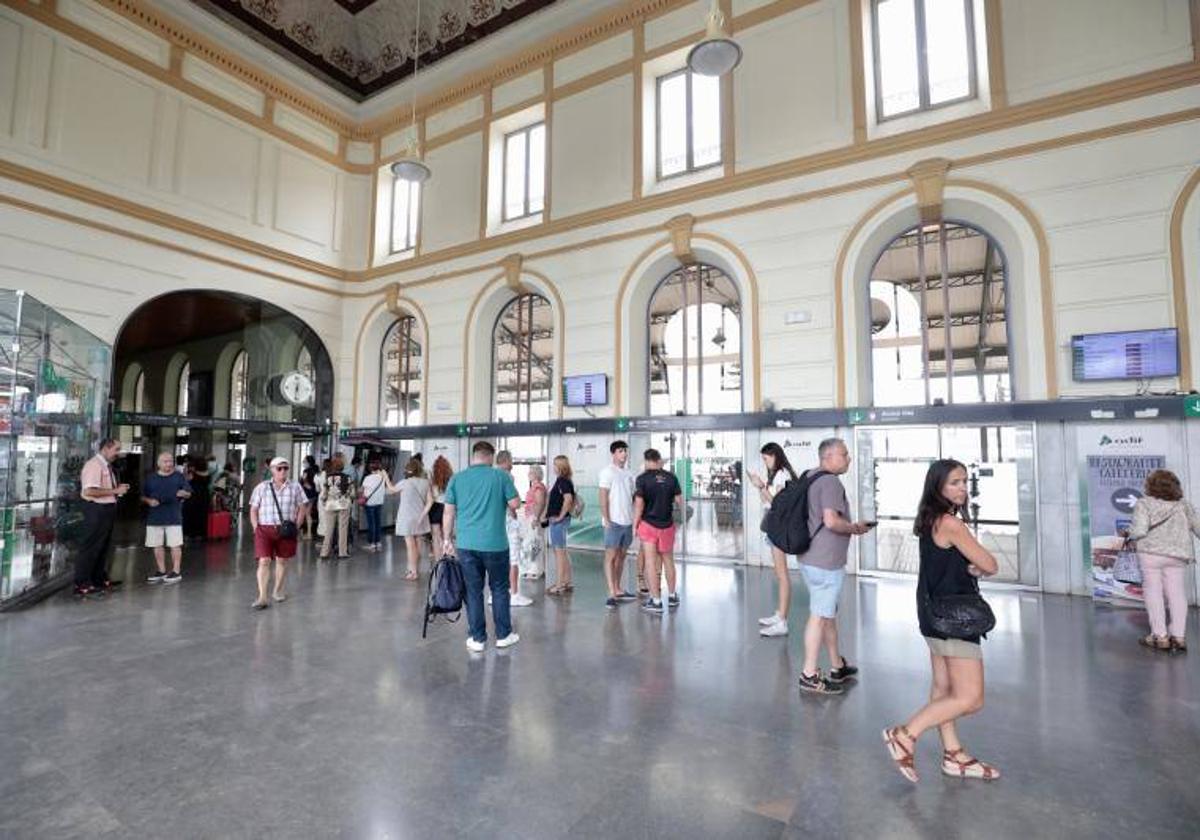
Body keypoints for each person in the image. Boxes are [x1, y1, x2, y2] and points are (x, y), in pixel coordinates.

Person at [883, 459, 1000, 783]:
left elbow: (959, 563)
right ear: (938, 487)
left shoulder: (930, 520)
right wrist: (979, 566)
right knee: (970, 698)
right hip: (955, 619)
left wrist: (971, 566)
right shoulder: (951, 523)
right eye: (954, 482)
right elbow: (990, 563)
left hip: (932, 614)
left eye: (964, 481)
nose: (962, 488)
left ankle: (954, 755)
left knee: (944, 688)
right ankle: (905, 735)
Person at [795, 438, 872, 694]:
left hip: (809, 557)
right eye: (844, 454)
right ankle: (808, 674)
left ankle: (837, 665)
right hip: (826, 562)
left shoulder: (810, 476)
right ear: (827, 457)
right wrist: (854, 528)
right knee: (819, 616)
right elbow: (830, 521)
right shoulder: (830, 481)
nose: (848, 458)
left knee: (827, 614)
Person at [442, 440, 521, 652]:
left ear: (474, 455)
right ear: (491, 457)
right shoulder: (501, 476)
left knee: (473, 591)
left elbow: (448, 512)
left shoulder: (457, 479)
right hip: (496, 545)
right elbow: (515, 504)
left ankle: (478, 638)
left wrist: (446, 540)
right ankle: (504, 635)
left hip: (466, 545)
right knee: (499, 589)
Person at [1124, 469, 1199, 653]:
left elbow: (1140, 531)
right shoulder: (1184, 505)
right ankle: (1179, 637)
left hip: (1150, 554)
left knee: (1153, 592)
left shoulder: (1144, 504)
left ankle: (1160, 636)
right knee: (1177, 593)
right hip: (1177, 555)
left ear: (1151, 485)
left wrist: (1129, 532)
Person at [748, 442, 799, 637]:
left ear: (775, 456)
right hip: (774, 526)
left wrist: (762, 486)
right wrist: (760, 487)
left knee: (782, 574)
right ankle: (780, 614)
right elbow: (767, 500)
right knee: (779, 573)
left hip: (779, 527)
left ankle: (782, 621)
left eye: (766, 458)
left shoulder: (782, 475)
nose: (765, 462)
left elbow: (777, 503)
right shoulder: (777, 475)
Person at [248, 456, 308, 610]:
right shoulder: (261, 487)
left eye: (285, 468)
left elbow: (302, 506)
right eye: (279, 468)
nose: (283, 471)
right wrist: (256, 527)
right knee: (264, 561)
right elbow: (253, 508)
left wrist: (298, 524)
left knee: (282, 560)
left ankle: (278, 590)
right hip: (264, 528)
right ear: (272, 470)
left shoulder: (295, 487)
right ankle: (262, 596)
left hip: (286, 530)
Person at [74, 438, 130, 597]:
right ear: (106, 448)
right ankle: (82, 583)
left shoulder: (106, 466)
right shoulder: (94, 465)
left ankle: (98, 579)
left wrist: (116, 491)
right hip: (96, 509)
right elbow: (89, 491)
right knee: (91, 546)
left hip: (107, 509)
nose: (118, 454)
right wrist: (115, 491)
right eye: (116, 450)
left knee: (103, 546)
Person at [634, 449, 683, 615]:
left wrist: (635, 524)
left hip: (648, 525)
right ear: (659, 460)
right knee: (668, 560)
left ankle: (656, 601)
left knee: (650, 562)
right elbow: (679, 500)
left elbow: (639, 505)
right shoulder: (671, 477)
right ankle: (672, 595)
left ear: (647, 460)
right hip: (667, 525)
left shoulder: (642, 479)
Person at [599, 440, 638, 608]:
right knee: (611, 557)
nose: (624, 454)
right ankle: (611, 593)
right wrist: (606, 518)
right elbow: (603, 496)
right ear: (613, 453)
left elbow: (633, 498)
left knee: (621, 557)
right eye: (621, 451)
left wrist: (635, 520)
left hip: (627, 522)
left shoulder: (630, 474)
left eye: (625, 451)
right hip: (613, 522)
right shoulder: (607, 472)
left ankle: (618, 588)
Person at [142, 451, 191, 584]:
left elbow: (188, 492)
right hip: (155, 516)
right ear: (158, 463)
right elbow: (143, 495)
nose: (169, 464)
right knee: (156, 544)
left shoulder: (179, 477)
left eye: (170, 461)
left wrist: (184, 493)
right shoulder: (151, 478)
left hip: (173, 516)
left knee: (175, 544)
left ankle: (176, 571)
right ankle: (161, 570)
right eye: (165, 461)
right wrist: (149, 501)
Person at [494, 451, 533, 607]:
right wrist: (514, 516)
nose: (512, 463)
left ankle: (495, 593)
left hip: (496, 523)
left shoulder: (492, 476)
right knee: (513, 559)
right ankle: (514, 593)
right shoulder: (507, 477)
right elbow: (512, 503)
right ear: (506, 460)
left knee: (498, 559)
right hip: (509, 523)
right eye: (511, 460)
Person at [387, 457, 433, 579]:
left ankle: (412, 571)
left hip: (406, 517)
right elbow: (430, 501)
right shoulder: (426, 483)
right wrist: (423, 515)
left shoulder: (404, 483)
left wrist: (385, 477)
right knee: (418, 544)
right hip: (420, 518)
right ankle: (415, 569)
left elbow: (391, 490)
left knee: (410, 545)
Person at [545, 455, 576, 596]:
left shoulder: (562, 481)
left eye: (555, 465)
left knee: (559, 553)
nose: (553, 467)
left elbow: (568, 499)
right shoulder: (564, 481)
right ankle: (567, 581)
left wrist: (560, 516)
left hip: (559, 521)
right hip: (559, 520)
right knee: (562, 551)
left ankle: (559, 584)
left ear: (560, 466)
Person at [319, 455, 354, 560]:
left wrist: (325, 501)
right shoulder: (347, 477)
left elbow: (324, 494)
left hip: (330, 505)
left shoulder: (328, 477)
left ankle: (324, 553)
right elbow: (352, 493)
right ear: (342, 467)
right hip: (343, 504)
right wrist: (349, 498)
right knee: (343, 529)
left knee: (329, 529)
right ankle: (342, 552)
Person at [520, 464, 547, 579]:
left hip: (534, 518)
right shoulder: (535, 486)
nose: (528, 475)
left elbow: (540, 503)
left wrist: (535, 518)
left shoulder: (538, 487)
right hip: (531, 517)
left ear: (535, 474)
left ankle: (534, 570)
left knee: (534, 544)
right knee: (533, 543)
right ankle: (534, 569)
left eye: (530, 473)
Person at [359, 459, 389, 552]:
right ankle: (378, 542)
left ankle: (372, 544)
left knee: (371, 523)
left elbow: (361, 490)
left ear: (370, 469)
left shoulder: (367, 478)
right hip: (379, 502)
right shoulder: (382, 478)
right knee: (378, 523)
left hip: (370, 503)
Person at [429, 455, 453, 556]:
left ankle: (438, 562)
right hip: (447, 506)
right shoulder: (451, 477)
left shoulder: (432, 477)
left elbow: (432, 495)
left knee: (435, 537)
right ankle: (448, 558)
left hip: (435, 507)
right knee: (447, 536)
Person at [182, 455, 210, 541]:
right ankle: (200, 534)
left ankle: (189, 534)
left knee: (189, 515)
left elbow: (186, 481)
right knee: (201, 515)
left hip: (193, 495)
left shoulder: (192, 472)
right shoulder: (207, 473)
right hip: (204, 496)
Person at [300, 457, 320, 539]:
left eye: (304, 461)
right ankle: (309, 533)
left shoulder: (306, 471)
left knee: (305, 513)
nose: (303, 463)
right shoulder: (315, 471)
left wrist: (306, 486)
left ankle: (306, 532)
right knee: (308, 513)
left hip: (306, 494)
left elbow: (304, 482)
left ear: (308, 462)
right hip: (314, 495)